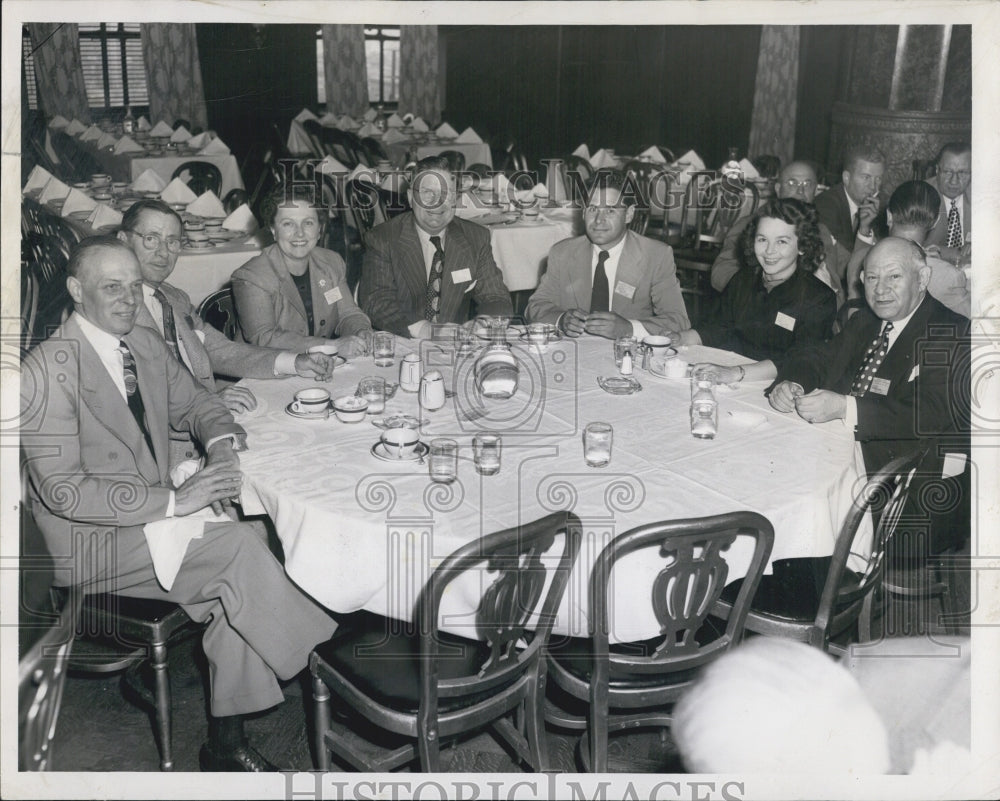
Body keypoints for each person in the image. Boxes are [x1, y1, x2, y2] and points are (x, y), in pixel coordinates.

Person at [19, 237, 338, 771]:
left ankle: (225, 745)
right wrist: (175, 499)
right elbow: (63, 489)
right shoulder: (44, 370)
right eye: (111, 287)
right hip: (87, 540)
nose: (127, 299)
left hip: (148, 518)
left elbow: (198, 403)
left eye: (134, 285)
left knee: (243, 565)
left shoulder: (141, 341)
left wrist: (220, 445)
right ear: (76, 291)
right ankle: (328, 666)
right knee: (238, 546)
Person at [769, 237, 970, 555]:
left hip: (910, 496)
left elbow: (925, 414)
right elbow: (817, 357)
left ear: (922, 278)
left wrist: (843, 407)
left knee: (795, 497)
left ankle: (812, 578)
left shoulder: (951, 331)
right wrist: (794, 383)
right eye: (872, 277)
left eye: (894, 277)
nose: (881, 289)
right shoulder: (866, 321)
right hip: (849, 459)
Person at [118, 199, 335, 467]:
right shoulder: (114, 311)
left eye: (173, 241)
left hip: (209, 425)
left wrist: (295, 362)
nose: (163, 252)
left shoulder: (171, 297)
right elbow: (131, 402)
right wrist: (206, 405)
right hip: (162, 455)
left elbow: (220, 349)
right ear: (123, 240)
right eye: (151, 239)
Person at [358, 156, 514, 338]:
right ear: (410, 198)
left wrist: (482, 324)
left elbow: (497, 298)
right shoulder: (383, 238)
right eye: (426, 192)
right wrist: (426, 330)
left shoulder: (476, 237)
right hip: (402, 344)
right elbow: (376, 301)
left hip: (456, 348)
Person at [525, 170, 689, 339]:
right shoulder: (563, 253)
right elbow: (535, 307)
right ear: (583, 212)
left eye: (610, 211)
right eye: (593, 209)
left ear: (629, 214)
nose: (598, 220)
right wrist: (561, 319)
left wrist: (629, 329)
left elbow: (678, 320)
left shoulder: (656, 255)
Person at [673, 198, 836, 362]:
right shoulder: (744, 279)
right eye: (762, 239)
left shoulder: (819, 298)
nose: (769, 251)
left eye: (781, 241)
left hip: (778, 382)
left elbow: (800, 363)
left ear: (802, 246)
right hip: (730, 369)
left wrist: (736, 373)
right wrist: (680, 338)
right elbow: (717, 328)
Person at [232, 185, 373, 353]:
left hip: (316, 366)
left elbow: (348, 313)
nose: (300, 233)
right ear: (273, 230)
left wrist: (361, 331)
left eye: (308, 223)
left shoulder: (331, 263)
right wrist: (332, 346)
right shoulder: (252, 276)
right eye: (288, 224)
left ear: (319, 229)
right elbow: (264, 337)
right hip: (266, 370)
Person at [711, 160, 850, 304]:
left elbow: (850, 265)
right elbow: (720, 272)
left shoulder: (821, 230)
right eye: (792, 183)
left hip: (827, 314)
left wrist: (864, 235)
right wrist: (764, 291)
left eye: (807, 184)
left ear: (815, 190)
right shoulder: (753, 226)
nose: (800, 191)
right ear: (778, 189)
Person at [844, 180, 970, 318]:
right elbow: (977, 323)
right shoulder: (947, 276)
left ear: (889, 216)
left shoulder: (858, 259)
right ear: (935, 221)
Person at [814, 145, 889, 253]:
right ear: (846, 178)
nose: (873, 186)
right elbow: (842, 262)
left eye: (878, 179)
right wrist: (864, 230)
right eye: (866, 177)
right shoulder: (826, 206)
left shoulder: (879, 207)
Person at [924, 142, 971, 265]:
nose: (954, 181)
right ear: (937, 170)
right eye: (948, 172)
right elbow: (914, 247)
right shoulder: (921, 194)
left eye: (962, 173)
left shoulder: (984, 196)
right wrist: (958, 252)